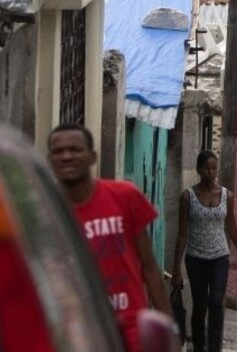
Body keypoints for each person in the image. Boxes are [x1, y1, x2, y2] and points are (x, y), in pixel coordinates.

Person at [48, 123, 172, 352]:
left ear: (92, 157)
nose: (66, 156)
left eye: (75, 150)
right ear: (49, 160)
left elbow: (150, 267)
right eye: (58, 151)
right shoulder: (44, 214)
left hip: (131, 332)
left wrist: (168, 331)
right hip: (77, 337)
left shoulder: (125, 196)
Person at [171, 150, 237, 352]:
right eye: (207, 168)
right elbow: (182, 234)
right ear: (199, 169)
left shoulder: (226, 196)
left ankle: (215, 347)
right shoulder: (187, 197)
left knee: (216, 301)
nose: (211, 172)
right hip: (195, 258)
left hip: (219, 257)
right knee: (200, 306)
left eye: (214, 168)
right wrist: (176, 269)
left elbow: (231, 227)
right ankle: (199, 346)